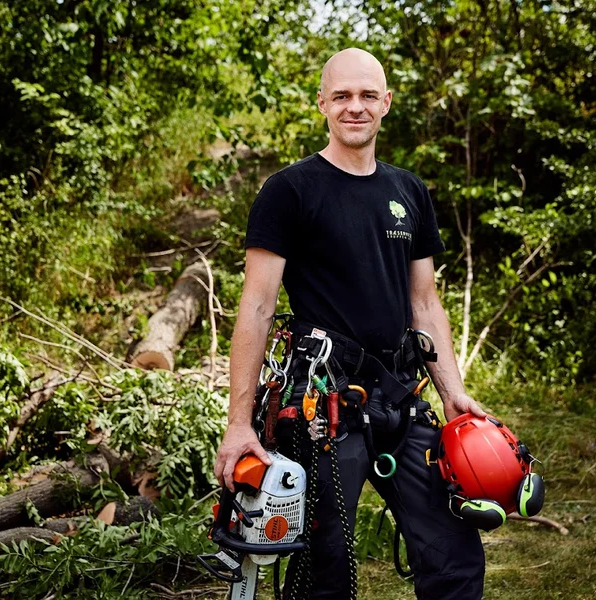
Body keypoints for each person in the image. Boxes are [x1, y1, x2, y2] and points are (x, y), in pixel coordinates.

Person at [213, 48, 487, 600]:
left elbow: (425, 305)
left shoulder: (408, 191)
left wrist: (453, 394)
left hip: (402, 400)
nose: (354, 107)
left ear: (386, 103)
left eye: (366, 95)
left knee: (455, 552)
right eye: (341, 96)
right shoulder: (289, 191)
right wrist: (238, 423)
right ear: (322, 104)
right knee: (325, 569)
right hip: (325, 406)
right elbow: (257, 307)